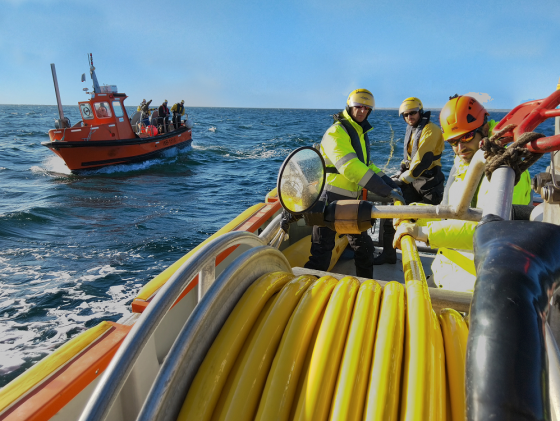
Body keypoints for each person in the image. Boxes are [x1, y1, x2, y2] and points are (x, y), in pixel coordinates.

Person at [392, 94, 532, 292]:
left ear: (484, 129)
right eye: (453, 142)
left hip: (479, 287)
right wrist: (414, 214)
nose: (460, 148)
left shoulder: (506, 173)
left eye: (466, 137)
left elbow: (491, 232)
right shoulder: (465, 162)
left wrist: (423, 233)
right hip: (448, 273)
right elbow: (452, 214)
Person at [303, 89, 404, 279]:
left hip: (349, 203)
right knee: (321, 254)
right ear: (349, 107)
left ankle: (365, 290)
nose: (362, 111)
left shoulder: (359, 134)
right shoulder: (336, 132)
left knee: (364, 249)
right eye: (358, 107)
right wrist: (384, 190)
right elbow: (349, 167)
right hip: (328, 201)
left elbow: (367, 166)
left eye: (366, 108)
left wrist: (391, 184)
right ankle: (307, 293)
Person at [374, 97, 446, 265]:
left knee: (432, 223)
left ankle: (442, 261)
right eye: (405, 115)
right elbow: (410, 158)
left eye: (412, 113)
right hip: (412, 180)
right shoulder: (412, 129)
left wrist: (403, 179)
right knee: (392, 214)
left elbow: (422, 160)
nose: (409, 117)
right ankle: (388, 253)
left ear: (420, 112)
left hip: (429, 182)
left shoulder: (431, 129)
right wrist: (401, 172)